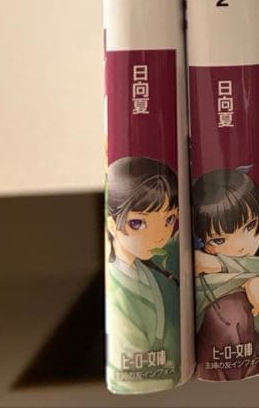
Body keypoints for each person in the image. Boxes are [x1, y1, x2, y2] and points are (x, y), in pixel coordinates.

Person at [105, 157, 181, 392]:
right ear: (112, 224)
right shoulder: (118, 292)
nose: (159, 236)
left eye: (169, 219)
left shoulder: (148, 265)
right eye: (137, 223)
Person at [191, 167, 259, 380]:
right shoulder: (199, 260)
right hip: (219, 359)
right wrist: (246, 279)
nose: (240, 246)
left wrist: (222, 263)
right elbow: (197, 284)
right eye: (219, 240)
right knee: (228, 309)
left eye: (249, 227)